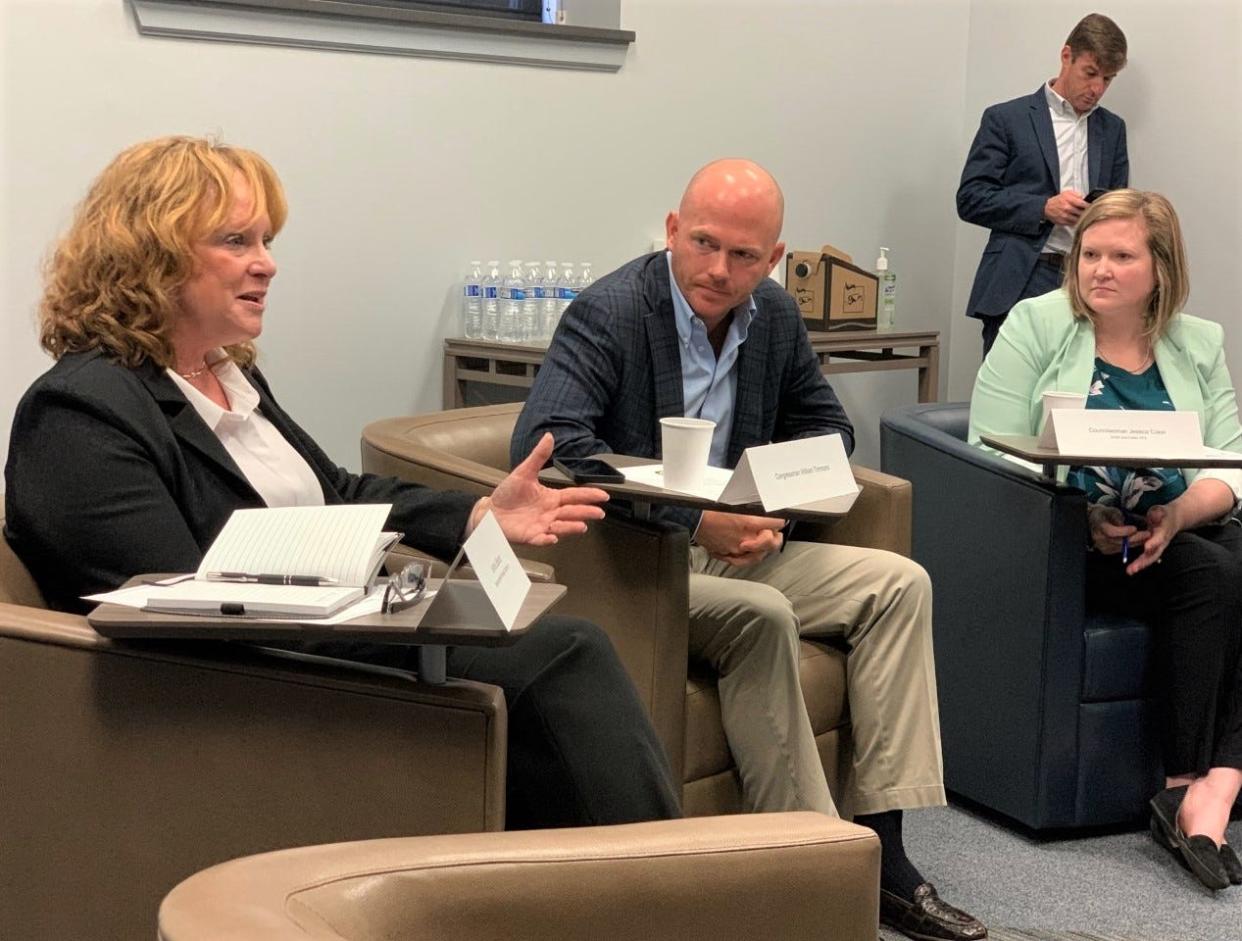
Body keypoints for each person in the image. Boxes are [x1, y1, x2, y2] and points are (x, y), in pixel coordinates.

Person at [3, 136, 681, 832]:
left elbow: (338, 491)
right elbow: (175, 602)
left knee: (552, 637)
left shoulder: (228, 373)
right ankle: (666, 894)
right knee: (560, 654)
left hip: (322, 630)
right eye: (236, 241)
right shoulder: (80, 409)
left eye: (266, 239)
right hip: (252, 677)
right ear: (150, 256)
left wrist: (476, 513)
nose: (266, 263)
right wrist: (375, 611)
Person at [511, 158, 986, 941]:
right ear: (671, 230)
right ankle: (806, 870)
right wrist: (695, 522)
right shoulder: (610, 313)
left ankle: (887, 857)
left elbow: (831, 429)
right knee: (762, 611)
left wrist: (770, 507)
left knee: (900, 583)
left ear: (773, 257)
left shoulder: (774, 313)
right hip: (639, 561)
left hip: (747, 541)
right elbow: (553, 445)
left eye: (743, 255)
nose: (718, 269)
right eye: (702, 244)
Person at [969, 189, 1242, 891]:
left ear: (1161, 268)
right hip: (1068, 542)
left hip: (1170, 531)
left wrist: (1179, 515)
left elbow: (1232, 462)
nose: (1101, 269)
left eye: (1122, 256)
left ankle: (1218, 787)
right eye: (1091, 254)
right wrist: (1079, 516)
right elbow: (990, 445)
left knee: (1214, 558)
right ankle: (1185, 785)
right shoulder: (1035, 325)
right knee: (1213, 574)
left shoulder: (1197, 340)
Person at [958, 13, 1129, 356]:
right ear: (1067, 56)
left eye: (1108, 79)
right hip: (1021, 276)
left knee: (1078, 398)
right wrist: (1043, 208)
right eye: (1090, 74)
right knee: (1010, 398)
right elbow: (971, 198)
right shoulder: (1006, 119)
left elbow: (1120, 208)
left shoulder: (1112, 129)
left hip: (1087, 281)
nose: (1097, 88)